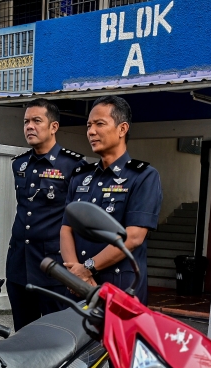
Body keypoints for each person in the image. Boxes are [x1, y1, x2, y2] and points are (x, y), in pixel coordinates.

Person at [60, 95, 162, 304]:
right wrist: (75, 273)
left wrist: (87, 267)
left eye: (99, 124)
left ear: (122, 129)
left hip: (120, 287)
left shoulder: (143, 176)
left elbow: (133, 237)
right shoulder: (81, 176)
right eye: (89, 125)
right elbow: (66, 228)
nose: (91, 131)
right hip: (79, 287)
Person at [6, 100, 87, 330]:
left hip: (55, 268)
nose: (29, 126)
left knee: (59, 337)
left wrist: (76, 266)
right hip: (20, 266)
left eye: (36, 121)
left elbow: (78, 222)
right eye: (26, 122)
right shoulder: (19, 164)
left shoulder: (73, 165)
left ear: (54, 127)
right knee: (24, 337)